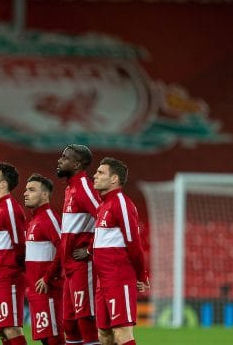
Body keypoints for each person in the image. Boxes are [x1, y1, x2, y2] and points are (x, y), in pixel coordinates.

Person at [91, 158, 149, 345]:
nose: (95, 175)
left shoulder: (121, 204)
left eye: (101, 173)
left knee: (122, 333)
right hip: (102, 280)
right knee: (104, 335)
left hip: (118, 278)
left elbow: (134, 244)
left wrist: (141, 275)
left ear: (114, 179)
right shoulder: (102, 206)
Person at [56, 144, 101, 345]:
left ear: (77, 163)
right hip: (69, 267)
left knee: (85, 319)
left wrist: (90, 249)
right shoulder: (71, 188)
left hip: (83, 265)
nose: (59, 160)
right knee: (69, 323)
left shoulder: (83, 187)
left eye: (64, 157)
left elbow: (105, 216)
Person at [0, 161, 27, 345]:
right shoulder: (1, 208)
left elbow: (20, 243)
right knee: (3, 331)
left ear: (3, 184)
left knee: (11, 328)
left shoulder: (9, 207)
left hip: (8, 277)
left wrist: (13, 269)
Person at [23, 174, 65, 345]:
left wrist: (48, 277)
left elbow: (63, 247)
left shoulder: (48, 217)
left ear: (45, 195)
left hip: (49, 289)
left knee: (54, 337)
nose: (25, 193)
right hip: (36, 290)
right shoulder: (34, 220)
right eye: (26, 189)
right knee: (45, 338)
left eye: (31, 190)